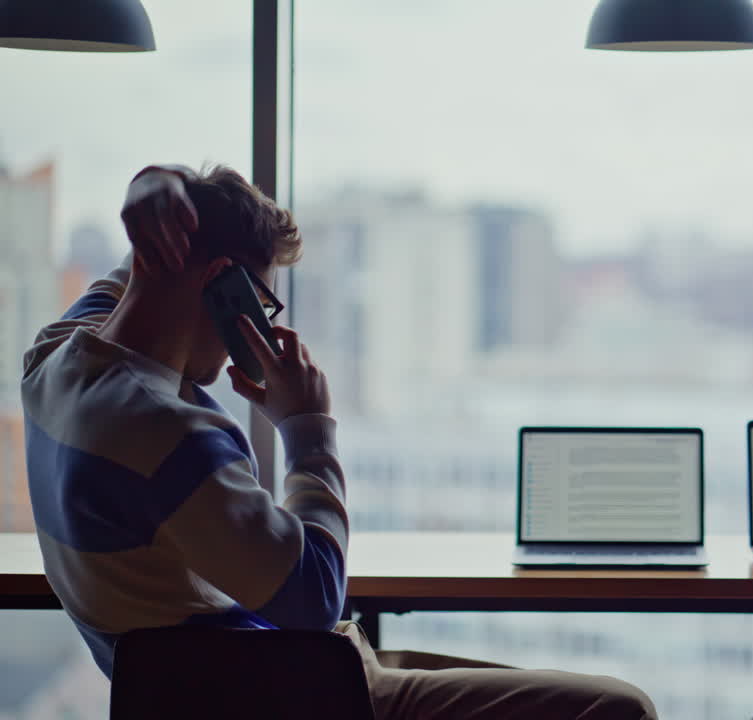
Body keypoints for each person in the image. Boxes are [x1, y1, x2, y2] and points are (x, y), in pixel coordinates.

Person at [21, 163, 657, 720]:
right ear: (222, 282)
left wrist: (155, 184)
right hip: (295, 697)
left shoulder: (50, 363)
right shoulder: (167, 432)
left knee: (511, 682)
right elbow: (317, 597)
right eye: (263, 301)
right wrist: (307, 427)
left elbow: (132, 279)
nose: (267, 326)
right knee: (617, 706)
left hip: (230, 685)